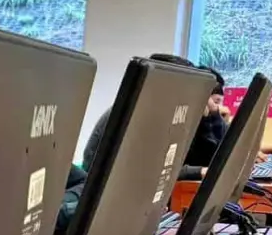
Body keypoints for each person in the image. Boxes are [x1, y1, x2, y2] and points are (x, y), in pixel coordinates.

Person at [81, 54, 230, 179]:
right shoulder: (137, 114)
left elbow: (207, 157)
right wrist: (197, 171)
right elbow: (150, 170)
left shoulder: (165, 113)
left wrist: (211, 117)